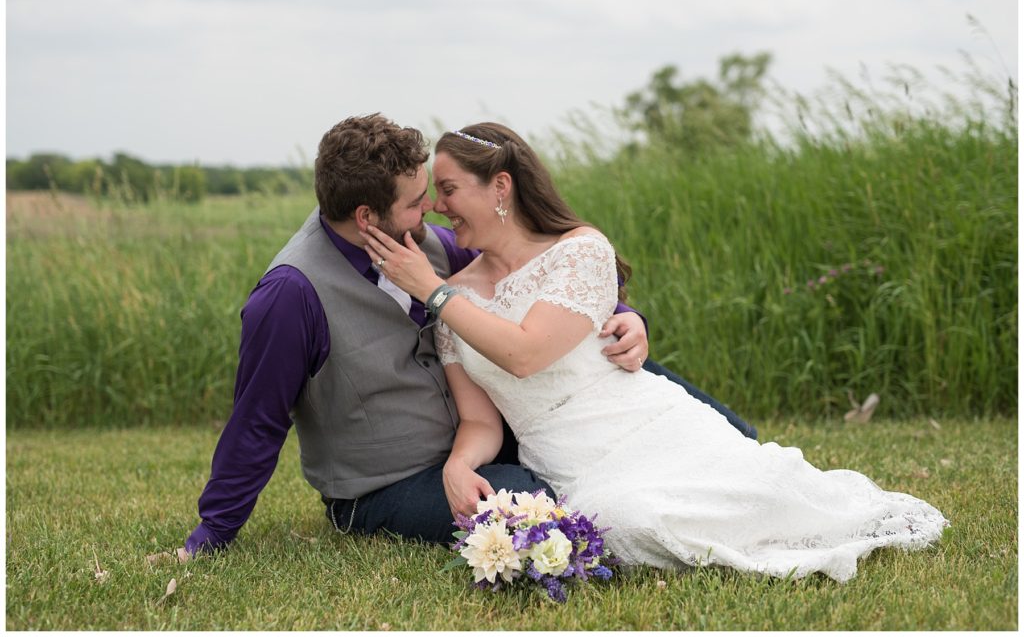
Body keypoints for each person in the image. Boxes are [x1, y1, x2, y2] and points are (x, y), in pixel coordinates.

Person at [361, 122, 950, 582]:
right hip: (573, 460)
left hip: (643, 420)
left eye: (448, 189)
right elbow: (481, 419)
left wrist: (433, 291)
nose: (437, 206)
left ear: (500, 188)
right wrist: (459, 465)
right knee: (628, 523)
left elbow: (525, 354)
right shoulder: (455, 300)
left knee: (761, 486)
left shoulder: (578, 251)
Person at [182, 113, 754, 556]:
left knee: (719, 426)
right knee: (539, 509)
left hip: (486, 436)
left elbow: (526, 282)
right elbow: (257, 420)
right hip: (389, 482)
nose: (431, 209)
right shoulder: (290, 295)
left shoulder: (425, 244)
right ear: (365, 217)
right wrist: (213, 533)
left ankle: (725, 451)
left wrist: (629, 317)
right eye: (416, 203)